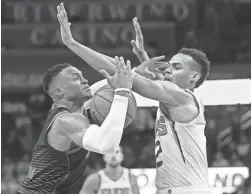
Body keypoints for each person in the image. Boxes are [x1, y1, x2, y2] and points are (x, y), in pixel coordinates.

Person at [57, 3, 215, 194]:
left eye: (177, 67)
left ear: (194, 77)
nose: (168, 69)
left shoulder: (182, 98)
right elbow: (142, 78)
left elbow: (123, 73)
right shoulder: (173, 97)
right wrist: (142, 56)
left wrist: (73, 44)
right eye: (169, 65)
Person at [17, 44, 135, 193]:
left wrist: (134, 74)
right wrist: (122, 93)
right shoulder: (66, 121)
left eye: (82, 76)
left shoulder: (76, 107)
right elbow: (107, 145)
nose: (85, 80)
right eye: (76, 78)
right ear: (59, 91)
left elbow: (101, 85)